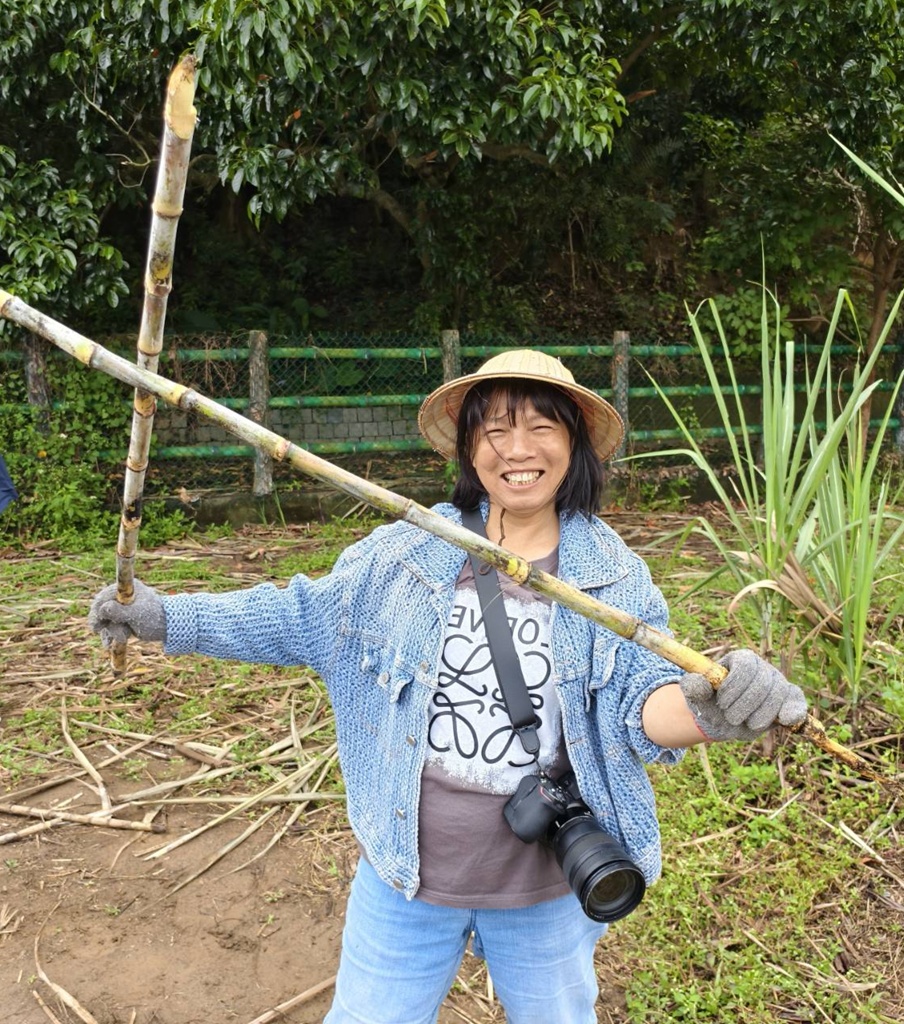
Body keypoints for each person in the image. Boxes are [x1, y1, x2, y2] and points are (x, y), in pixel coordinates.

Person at [89, 350, 808, 1024]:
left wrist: (710, 710)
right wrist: (164, 617)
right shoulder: (407, 552)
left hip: (548, 884)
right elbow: (299, 617)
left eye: (539, 426)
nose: (516, 449)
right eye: (494, 429)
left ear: (575, 445)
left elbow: (636, 704)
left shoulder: (612, 576)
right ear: (469, 449)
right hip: (405, 879)